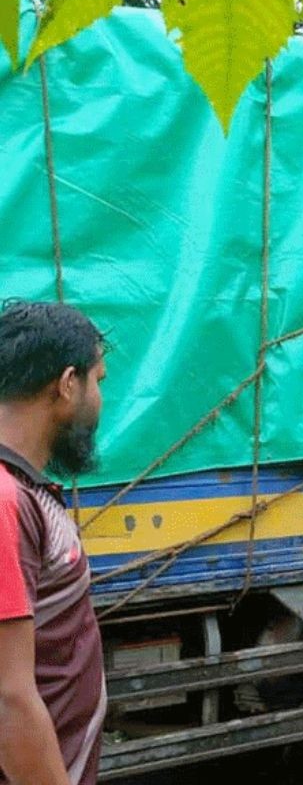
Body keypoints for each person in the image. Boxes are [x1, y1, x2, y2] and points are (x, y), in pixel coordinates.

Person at [0, 301, 108, 785]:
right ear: (67, 385)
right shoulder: (5, 499)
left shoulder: (22, 491)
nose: (99, 398)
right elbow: (8, 702)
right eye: (98, 380)